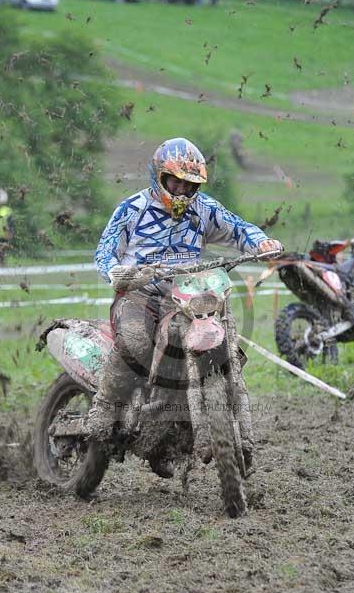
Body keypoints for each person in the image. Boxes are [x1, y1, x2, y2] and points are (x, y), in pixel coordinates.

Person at [91, 137, 283, 452]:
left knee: (221, 334)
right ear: (159, 176)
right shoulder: (132, 209)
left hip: (186, 298)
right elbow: (105, 249)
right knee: (136, 339)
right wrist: (116, 272)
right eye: (175, 183)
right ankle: (105, 405)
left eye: (189, 185)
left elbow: (237, 228)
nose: (181, 191)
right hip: (140, 296)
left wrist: (261, 242)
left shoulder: (204, 209)